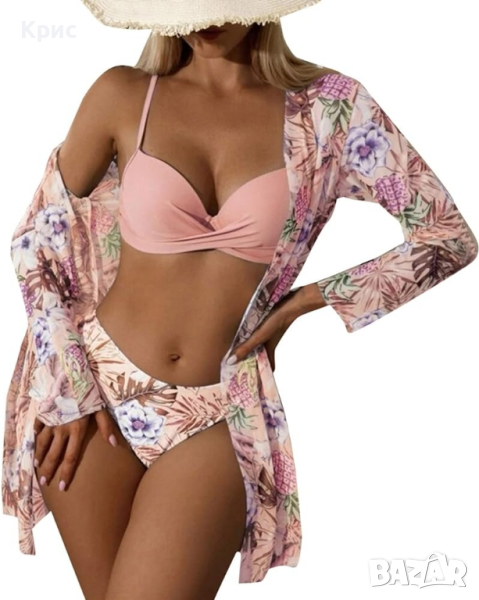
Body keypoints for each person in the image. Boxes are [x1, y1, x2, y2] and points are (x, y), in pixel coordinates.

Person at [3, 2, 477, 599]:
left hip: (220, 408)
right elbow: (35, 240)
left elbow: (447, 236)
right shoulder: (123, 94)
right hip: (94, 397)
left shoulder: (330, 109)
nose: (205, 15)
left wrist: (308, 300)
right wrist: (68, 384)